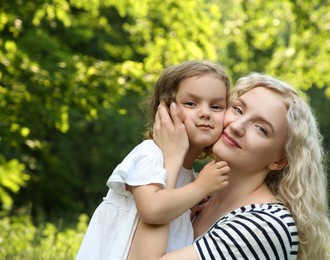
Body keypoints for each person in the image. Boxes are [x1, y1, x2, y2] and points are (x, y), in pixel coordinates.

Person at [148, 72, 330, 259]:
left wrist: (170, 161)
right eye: (238, 110)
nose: (237, 126)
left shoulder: (265, 225)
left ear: (279, 161)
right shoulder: (198, 198)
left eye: (261, 129)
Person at [76, 60, 231, 260]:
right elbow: (153, 210)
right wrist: (201, 187)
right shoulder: (149, 154)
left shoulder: (188, 176)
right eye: (191, 103)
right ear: (166, 109)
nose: (205, 113)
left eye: (216, 106)